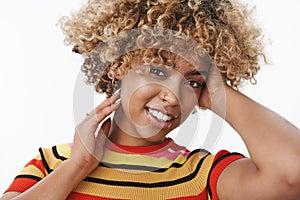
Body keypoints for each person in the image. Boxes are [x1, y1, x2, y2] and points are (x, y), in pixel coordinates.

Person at [1, 0, 300, 199]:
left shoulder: (201, 173)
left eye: (192, 82)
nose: (172, 96)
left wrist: (219, 91)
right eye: (157, 69)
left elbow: (293, 174)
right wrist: (78, 165)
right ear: (119, 64)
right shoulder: (51, 164)